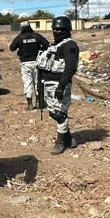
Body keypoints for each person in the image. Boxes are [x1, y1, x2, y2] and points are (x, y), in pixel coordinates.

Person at [36, 16, 80, 154]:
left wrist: (61, 86)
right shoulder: (53, 45)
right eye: (55, 29)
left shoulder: (70, 45)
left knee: (59, 113)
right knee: (52, 112)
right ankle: (68, 139)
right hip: (47, 84)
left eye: (60, 29)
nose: (57, 31)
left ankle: (61, 142)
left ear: (67, 30)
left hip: (59, 84)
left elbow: (70, 67)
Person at [9, 24, 49, 110]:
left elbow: (12, 48)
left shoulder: (20, 37)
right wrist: (40, 50)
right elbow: (47, 44)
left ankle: (30, 104)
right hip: (37, 62)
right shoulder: (37, 36)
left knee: (27, 83)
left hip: (25, 63)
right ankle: (38, 102)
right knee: (37, 82)